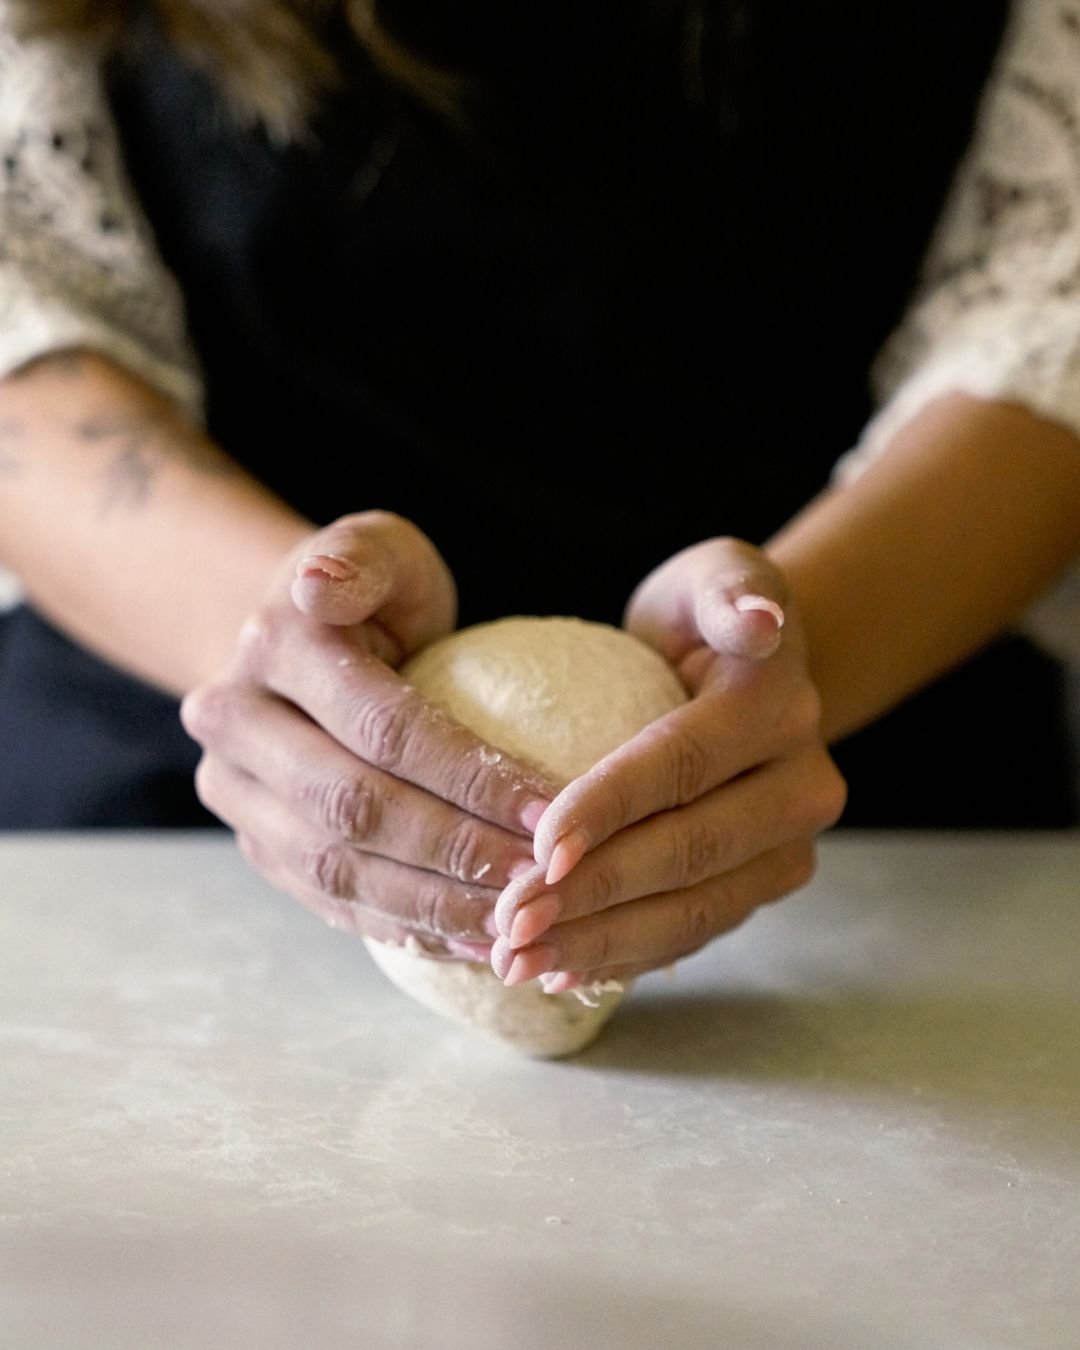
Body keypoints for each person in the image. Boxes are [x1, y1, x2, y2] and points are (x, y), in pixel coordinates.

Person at [0, 0, 1077, 996]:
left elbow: (1053, 306)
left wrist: (787, 664)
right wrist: (290, 650)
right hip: (176, 818)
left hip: (875, 817)